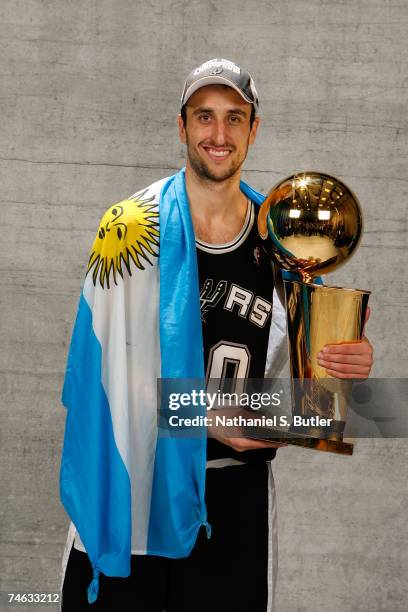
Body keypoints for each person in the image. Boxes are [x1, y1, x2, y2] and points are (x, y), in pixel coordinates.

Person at [59, 58, 373, 611]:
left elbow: (308, 402)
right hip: (138, 488)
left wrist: (339, 364)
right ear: (182, 127)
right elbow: (95, 386)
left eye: (235, 118)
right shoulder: (130, 231)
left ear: (254, 129)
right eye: (204, 117)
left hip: (234, 501)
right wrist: (201, 415)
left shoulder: (283, 242)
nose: (219, 134)